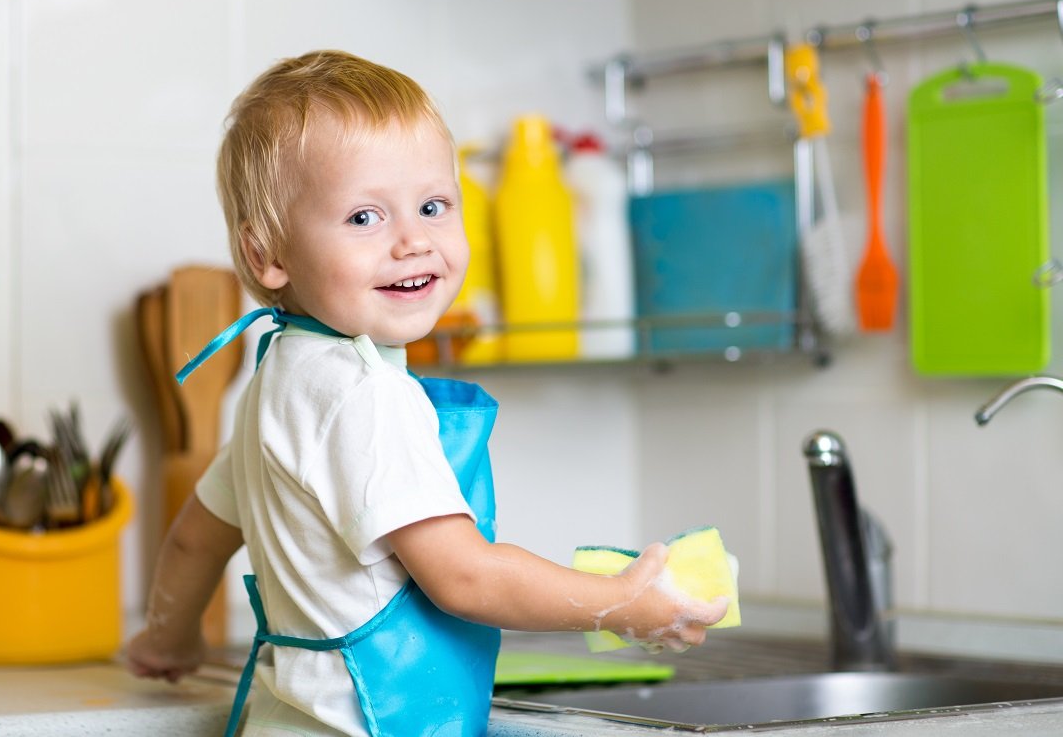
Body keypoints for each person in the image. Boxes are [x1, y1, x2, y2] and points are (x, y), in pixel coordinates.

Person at [125, 49, 728, 737]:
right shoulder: (363, 392)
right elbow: (465, 578)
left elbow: (193, 540)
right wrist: (621, 603)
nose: (413, 240)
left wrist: (166, 640)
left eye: (433, 205)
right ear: (269, 255)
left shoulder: (278, 379)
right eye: (364, 218)